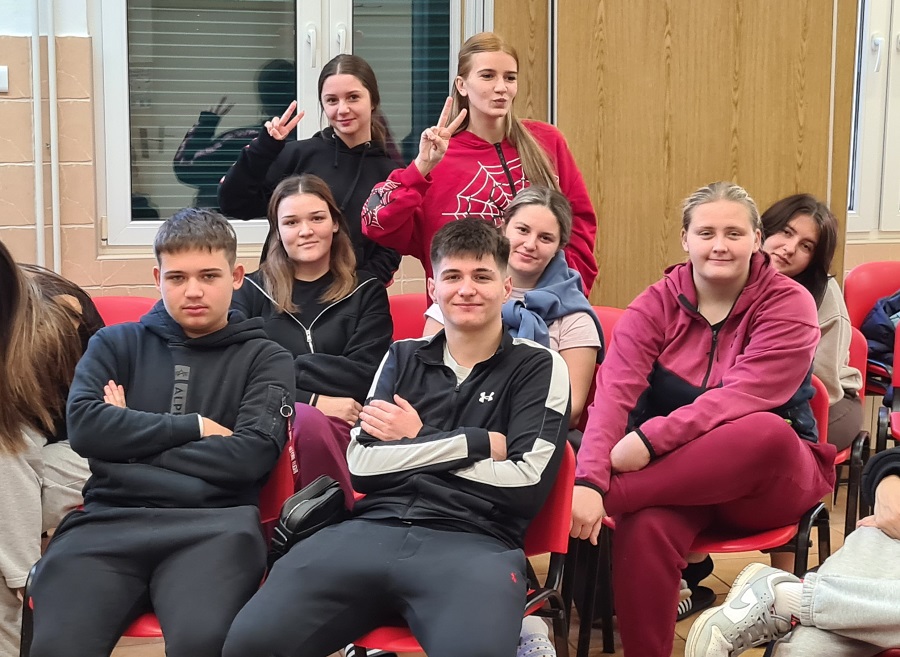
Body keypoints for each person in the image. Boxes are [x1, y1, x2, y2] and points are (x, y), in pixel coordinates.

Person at [222, 217, 570, 657]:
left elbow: (525, 483)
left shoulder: (539, 366)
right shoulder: (402, 357)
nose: (466, 289)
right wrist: (476, 443)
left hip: (474, 543)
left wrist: (413, 441)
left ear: (505, 287)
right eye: (453, 277)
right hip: (367, 531)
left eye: (482, 277)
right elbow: (362, 467)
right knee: (247, 645)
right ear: (433, 288)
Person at [569, 182, 836, 657]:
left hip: (767, 485)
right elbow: (612, 397)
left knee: (765, 430)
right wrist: (588, 477)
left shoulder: (790, 302)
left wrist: (640, 449)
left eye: (734, 233)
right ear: (685, 239)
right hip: (678, 482)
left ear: (756, 239)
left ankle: (607, 497)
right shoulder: (654, 304)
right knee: (646, 525)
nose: (720, 245)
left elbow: (739, 398)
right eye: (706, 232)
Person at [24, 209, 295, 657]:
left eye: (209, 275)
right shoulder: (114, 344)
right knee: (59, 647)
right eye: (177, 277)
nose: (193, 291)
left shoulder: (267, 358)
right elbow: (87, 431)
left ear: (236, 277)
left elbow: (248, 458)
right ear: (158, 278)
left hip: (216, 528)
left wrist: (126, 444)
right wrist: (195, 427)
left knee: (203, 644)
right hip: (106, 524)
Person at [361, 32, 598, 293]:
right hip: (463, 306)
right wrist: (420, 168)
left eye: (510, 78)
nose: (501, 87)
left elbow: (580, 225)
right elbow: (375, 224)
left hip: (545, 307)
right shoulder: (440, 159)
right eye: (487, 76)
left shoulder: (547, 141)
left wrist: (564, 290)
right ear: (462, 85)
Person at [231, 174, 392, 499]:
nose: (305, 230)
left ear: (335, 223)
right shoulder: (249, 292)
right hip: (263, 425)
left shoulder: (366, 291)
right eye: (291, 222)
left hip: (347, 427)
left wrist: (279, 367)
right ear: (277, 231)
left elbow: (366, 374)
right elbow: (236, 373)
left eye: (317, 218)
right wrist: (310, 400)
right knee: (305, 420)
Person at [686, 444, 900, 657]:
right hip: (889, 537)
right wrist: (889, 477)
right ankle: (788, 600)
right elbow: (889, 461)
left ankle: (790, 598)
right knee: (809, 649)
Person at [423, 186, 602, 429]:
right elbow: (425, 384)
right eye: (523, 230)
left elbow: (571, 410)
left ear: (560, 246)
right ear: (503, 226)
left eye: (545, 238)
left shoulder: (575, 315)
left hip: (534, 435)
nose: (530, 244)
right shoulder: (460, 295)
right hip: (444, 429)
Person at [218, 54, 401, 284]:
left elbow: (391, 247)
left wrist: (360, 289)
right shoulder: (297, 155)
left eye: (353, 97)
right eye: (332, 100)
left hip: (351, 297)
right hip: (281, 292)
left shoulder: (390, 174)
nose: (342, 109)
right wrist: (263, 149)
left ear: (373, 101)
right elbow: (234, 203)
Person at [0, 243, 102, 657]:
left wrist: (19, 567)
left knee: (4, 454)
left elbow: (19, 439)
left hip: (91, 452)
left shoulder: (56, 316)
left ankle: (25, 583)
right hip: (21, 468)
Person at [761, 194, 863, 451]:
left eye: (806, 246)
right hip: (755, 397)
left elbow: (823, 385)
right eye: (786, 232)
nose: (789, 248)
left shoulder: (823, 295)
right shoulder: (735, 276)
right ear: (765, 230)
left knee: (768, 446)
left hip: (827, 400)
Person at [173, 59, 296, 209]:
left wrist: (206, 124)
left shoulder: (244, 139)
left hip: (225, 221)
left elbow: (185, 165)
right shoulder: (311, 147)